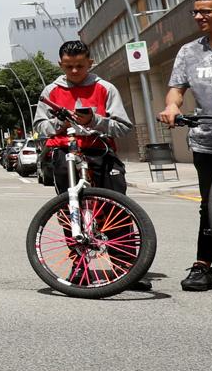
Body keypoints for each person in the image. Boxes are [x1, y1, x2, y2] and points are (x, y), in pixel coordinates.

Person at [34, 40, 149, 292]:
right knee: (69, 210)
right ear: (60, 64)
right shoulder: (50, 91)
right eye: (68, 66)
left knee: (117, 207)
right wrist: (59, 124)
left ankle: (127, 267)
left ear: (90, 62)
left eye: (79, 66)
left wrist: (95, 120)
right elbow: (40, 127)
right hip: (66, 151)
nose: (74, 72)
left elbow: (123, 125)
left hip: (99, 150)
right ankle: (79, 265)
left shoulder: (104, 88)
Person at [158, 0, 212, 292]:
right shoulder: (189, 52)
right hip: (207, 138)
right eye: (195, 12)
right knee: (210, 203)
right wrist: (171, 106)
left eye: (204, 11)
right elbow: (176, 89)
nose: (197, 17)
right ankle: (203, 266)